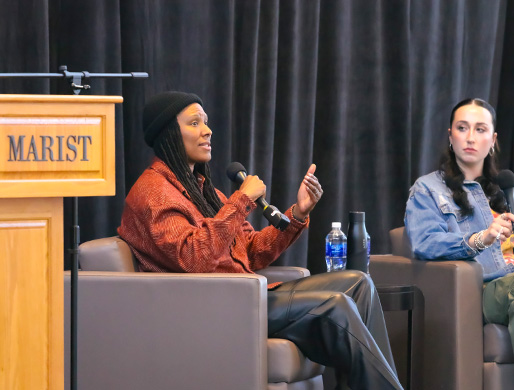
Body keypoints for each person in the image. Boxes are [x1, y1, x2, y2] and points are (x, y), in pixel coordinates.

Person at [118, 91, 402, 390]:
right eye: (194, 123)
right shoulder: (153, 192)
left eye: (206, 121)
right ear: (168, 135)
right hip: (211, 307)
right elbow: (193, 258)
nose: (207, 130)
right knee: (337, 305)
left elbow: (251, 252)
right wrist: (240, 200)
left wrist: (298, 215)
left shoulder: (204, 191)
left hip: (241, 294)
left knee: (358, 283)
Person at [405, 97, 514, 351]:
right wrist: (480, 238)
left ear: (493, 140)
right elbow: (425, 243)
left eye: (480, 129)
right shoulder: (427, 189)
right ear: (450, 136)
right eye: (462, 128)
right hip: (482, 288)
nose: (471, 138)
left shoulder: (506, 190)